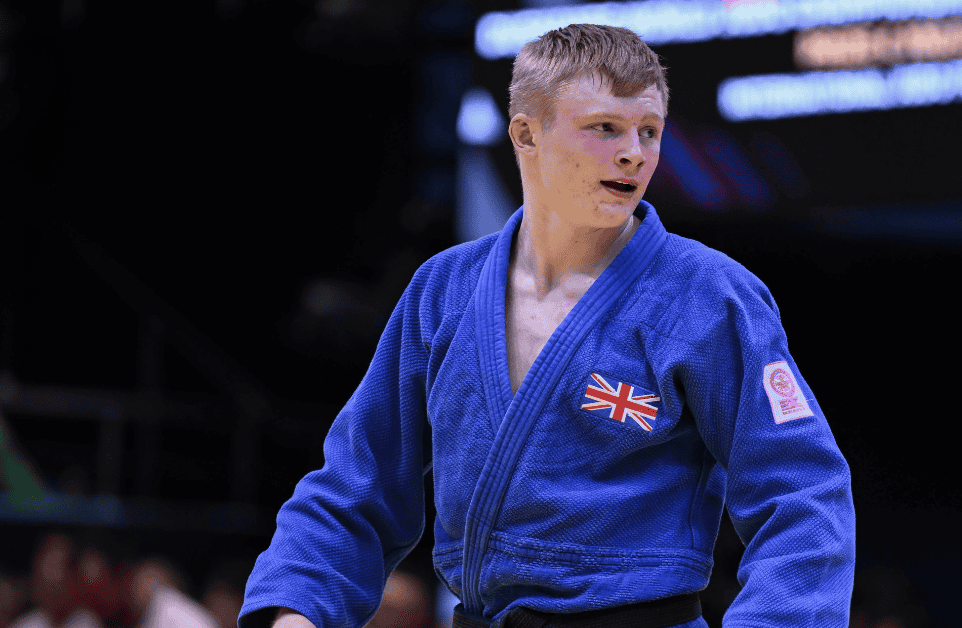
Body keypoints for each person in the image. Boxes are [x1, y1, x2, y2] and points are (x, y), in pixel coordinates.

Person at [240, 23, 855, 628]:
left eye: (649, 131)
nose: (634, 153)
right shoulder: (445, 289)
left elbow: (804, 495)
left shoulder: (708, 296)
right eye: (604, 128)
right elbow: (358, 483)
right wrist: (295, 609)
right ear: (526, 134)